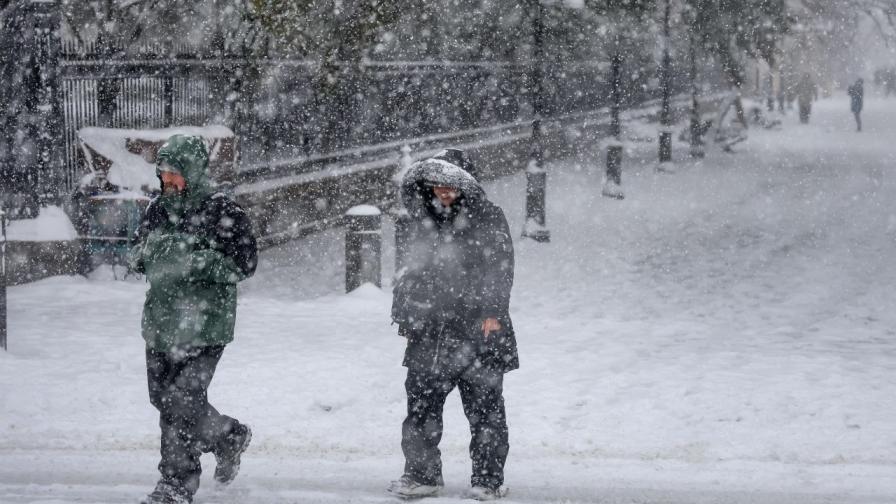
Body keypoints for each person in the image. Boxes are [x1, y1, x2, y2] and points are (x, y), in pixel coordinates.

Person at [129, 134, 258, 504]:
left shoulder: (224, 212)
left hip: (206, 325)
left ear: (194, 172)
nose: (167, 181)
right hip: (161, 323)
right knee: (163, 398)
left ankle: (176, 483)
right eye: (163, 174)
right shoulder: (157, 209)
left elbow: (244, 265)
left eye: (175, 174)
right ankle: (227, 436)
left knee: (182, 400)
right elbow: (135, 255)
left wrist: (194, 260)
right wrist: (152, 254)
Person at [388, 150, 518, 501]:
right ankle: (421, 475)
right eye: (437, 184)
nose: (443, 191)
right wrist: (404, 315)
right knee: (420, 410)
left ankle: (488, 480)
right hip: (429, 332)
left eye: (450, 184)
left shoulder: (488, 217)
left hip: (479, 330)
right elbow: (406, 272)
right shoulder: (416, 221)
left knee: (485, 410)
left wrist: (492, 311)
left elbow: (500, 266)